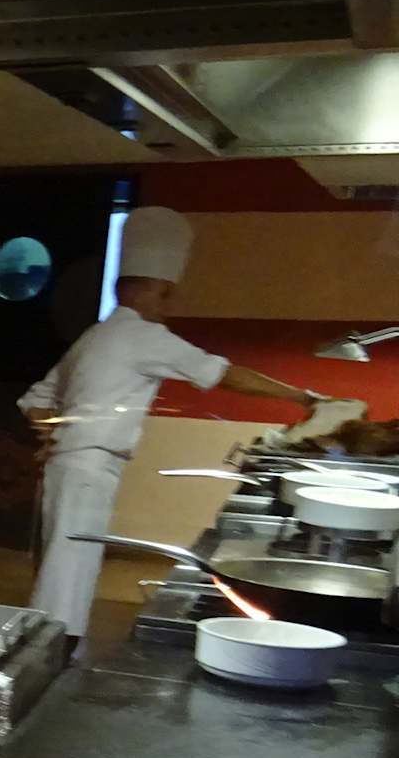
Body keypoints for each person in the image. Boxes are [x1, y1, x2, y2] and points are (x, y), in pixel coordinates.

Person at [17, 206, 324, 640]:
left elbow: (35, 399)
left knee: (61, 561)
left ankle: (50, 646)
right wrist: (302, 397)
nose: (169, 307)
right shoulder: (142, 336)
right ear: (148, 289)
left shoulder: (96, 335)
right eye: (166, 295)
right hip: (89, 468)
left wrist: (52, 433)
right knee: (69, 568)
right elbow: (224, 373)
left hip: (70, 466)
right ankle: (55, 650)